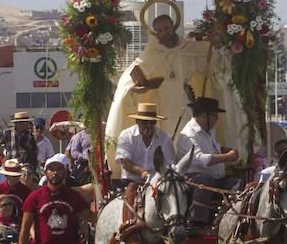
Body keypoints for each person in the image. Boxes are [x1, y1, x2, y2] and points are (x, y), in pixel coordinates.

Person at [104, 13, 247, 177]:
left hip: (184, 107)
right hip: (160, 108)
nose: (164, 32)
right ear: (156, 33)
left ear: (173, 27)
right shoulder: (151, 53)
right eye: (160, 30)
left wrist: (216, 46)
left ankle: (186, 175)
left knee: (186, 141)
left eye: (166, 28)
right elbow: (128, 80)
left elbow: (215, 68)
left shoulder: (190, 49)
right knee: (163, 141)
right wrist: (134, 89)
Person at [176, 96, 240, 227]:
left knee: (238, 185)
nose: (217, 119)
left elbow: (210, 151)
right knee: (206, 181)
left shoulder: (209, 132)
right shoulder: (188, 134)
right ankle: (195, 221)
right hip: (192, 179)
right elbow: (201, 159)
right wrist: (227, 156)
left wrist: (223, 150)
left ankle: (229, 219)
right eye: (215, 115)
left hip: (214, 178)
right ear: (204, 115)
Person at [115, 102, 175, 188]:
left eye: (152, 122)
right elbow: (125, 162)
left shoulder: (165, 138)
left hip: (157, 183)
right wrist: (142, 172)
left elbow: (170, 163)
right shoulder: (126, 135)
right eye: (145, 122)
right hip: (131, 182)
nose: (149, 126)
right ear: (137, 121)